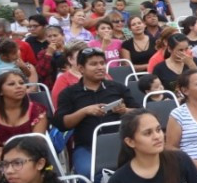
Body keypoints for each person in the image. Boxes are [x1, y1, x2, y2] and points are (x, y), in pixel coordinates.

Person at [53, 46, 138, 175]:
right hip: (87, 147)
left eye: (102, 63)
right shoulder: (69, 93)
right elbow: (62, 124)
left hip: (121, 143)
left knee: (138, 167)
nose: (100, 67)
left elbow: (140, 112)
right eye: (93, 64)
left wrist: (125, 110)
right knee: (89, 173)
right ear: (81, 68)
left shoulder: (117, 88)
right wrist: (84, 112)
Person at [0, 71, 49, 177]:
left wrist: (5, 154)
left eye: (21, 83)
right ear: (0, 91)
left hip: (30, 162)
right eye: (11, 84)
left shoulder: (37, 110)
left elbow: (37, 144)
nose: (19, 86)